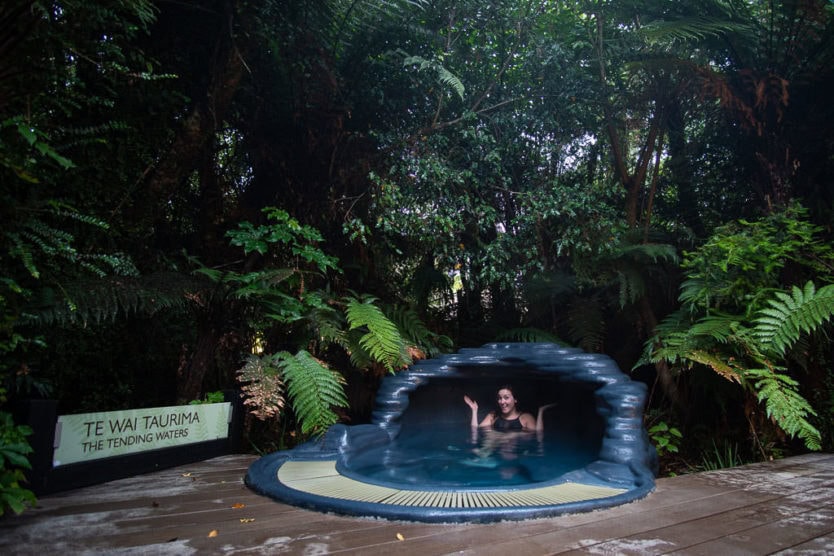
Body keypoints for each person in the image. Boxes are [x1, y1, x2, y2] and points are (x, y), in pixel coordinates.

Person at [464, 385, 556, 433]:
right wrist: (474, 410)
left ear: (515, 399)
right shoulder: (493, 415)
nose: (502, 401)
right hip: (495, 450)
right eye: (500, 398)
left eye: (506, 397)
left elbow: (537, 433)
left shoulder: (525, 418)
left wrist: (541, 411)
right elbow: (475, 430)